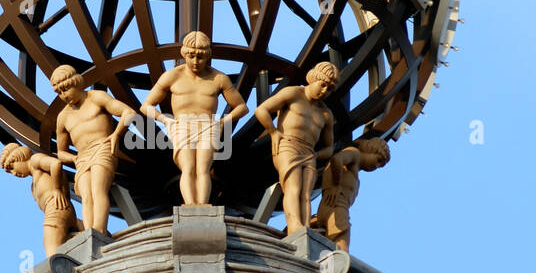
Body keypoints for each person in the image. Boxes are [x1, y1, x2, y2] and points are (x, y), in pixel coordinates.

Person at [140, 31, 247, 205]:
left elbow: (242, 107)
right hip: (182, 126)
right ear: (184, 54)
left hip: (208, 126)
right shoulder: (172, 76)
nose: (195, 62)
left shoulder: (219, 78)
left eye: (200, 57)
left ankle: (203, 206)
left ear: (207, 56)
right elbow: (146, 106)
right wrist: (165, 120)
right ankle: (190, 206)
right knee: (188, 167)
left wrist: (221, 123)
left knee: (203, 168)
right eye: (191, 56)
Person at [51, 65, 136, 234]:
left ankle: (100, 229)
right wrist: (73, 158)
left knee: (98, 189)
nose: (64, 96)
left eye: (66, 89)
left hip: (102, 148)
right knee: (86, 196)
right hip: (82, 157)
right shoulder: (63, 117)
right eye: (60, 92)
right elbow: (61, 151)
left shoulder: (97, 97)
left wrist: (116, 135)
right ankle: (90, 233)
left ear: (76, 82)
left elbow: (128, 112)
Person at [255, 62, 338, 234]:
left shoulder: (325, 114)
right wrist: (273, 132)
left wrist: (317, 154)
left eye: (329, 89)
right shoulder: (293, 93)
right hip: (288, 145)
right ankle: (294, 226)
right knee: (293, 187)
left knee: (306, 193)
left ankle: (304, 227)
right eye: (322, 85)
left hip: (308, 152)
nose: (324, 91)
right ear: (313, 79)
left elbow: (329, 147)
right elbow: (262, 110)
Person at [0, 142, 80, 257]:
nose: (14, 173)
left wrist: (57, 189)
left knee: (50, 241)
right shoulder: (33, 187)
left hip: (56, 208)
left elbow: (55, 164)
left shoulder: (35, 160)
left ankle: (54, 270)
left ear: (19, 157)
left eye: (12, 167)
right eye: (10, 172)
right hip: (60, 210)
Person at [312, 137, 391, 253]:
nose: (376, 166)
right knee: (342, 240)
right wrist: (335, 185)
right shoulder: (355, 154)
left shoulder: (354, 173)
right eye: (378, 160)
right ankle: (342, 263)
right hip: (336, 206)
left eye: (380, 166)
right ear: (370, 149)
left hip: (329, 207)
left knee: (328, 242)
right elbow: (337, 160)